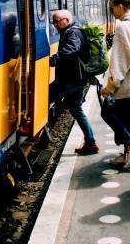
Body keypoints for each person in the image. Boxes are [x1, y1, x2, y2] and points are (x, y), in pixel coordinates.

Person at [100, 0, 130, 169]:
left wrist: (110, 86)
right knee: (126, 118)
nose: (112, 13)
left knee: (107, 112)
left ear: (120, 6)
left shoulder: (123, 27)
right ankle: (127, 152)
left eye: (112, 9)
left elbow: (121, 60)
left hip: (125, 84)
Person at [49, 10, 98, 155]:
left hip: (70, 79)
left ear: (66, 20)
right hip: (77, 79)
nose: (55, 25)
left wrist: (54, 59)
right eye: (54, 22)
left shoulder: (73, 33)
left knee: (42, 99)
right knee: (76, 109)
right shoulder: (70, 31)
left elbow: (72, 49)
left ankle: (33, 130)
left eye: (57, 21)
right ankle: (91, 143)